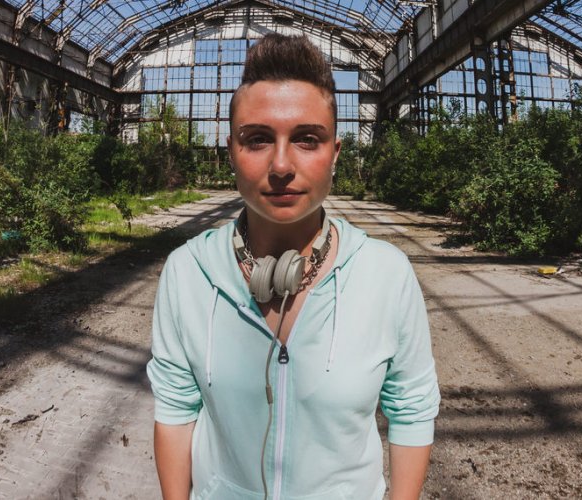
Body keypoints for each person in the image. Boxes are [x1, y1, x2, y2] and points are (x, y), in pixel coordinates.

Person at [147, 33, 440, 500]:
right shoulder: (187, 273)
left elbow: (411, 410)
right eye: (258, 139)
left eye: (307, 139)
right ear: (231, 151)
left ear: (335, 154)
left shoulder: (386, 274)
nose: (281, 165)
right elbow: (176, 408)